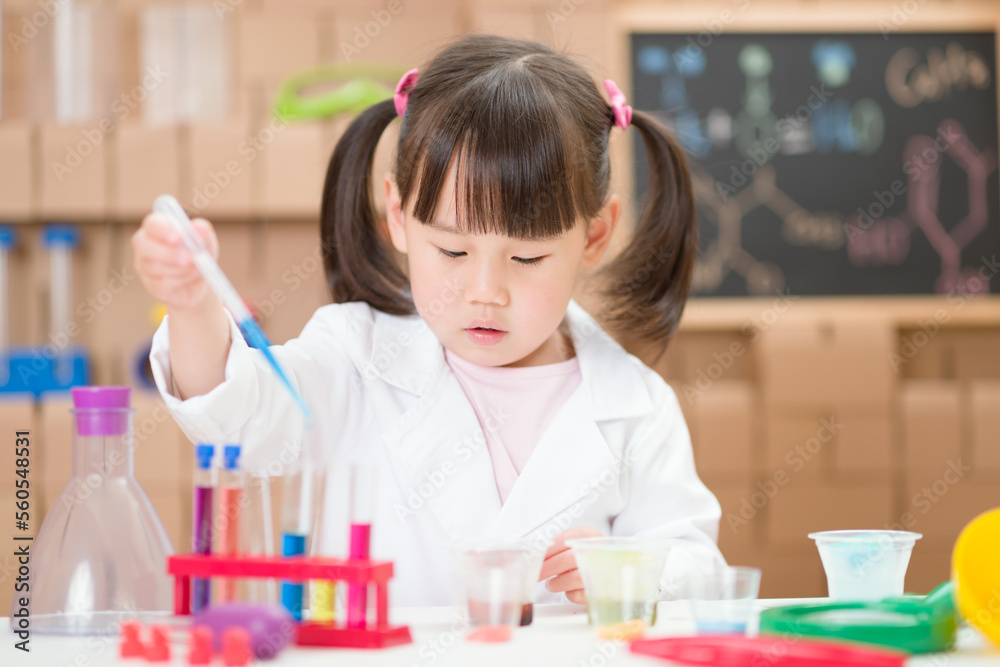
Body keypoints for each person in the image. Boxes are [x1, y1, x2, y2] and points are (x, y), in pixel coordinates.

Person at [133, 34, 723, 606]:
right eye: (452, 252)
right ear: (398, 215)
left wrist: (631, 570)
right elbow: (235, 415)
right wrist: (192, 306)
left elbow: (701, 568)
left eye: (527, 258)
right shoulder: (353, 358)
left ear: (594, 235)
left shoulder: (637, 408)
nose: (486, 292)